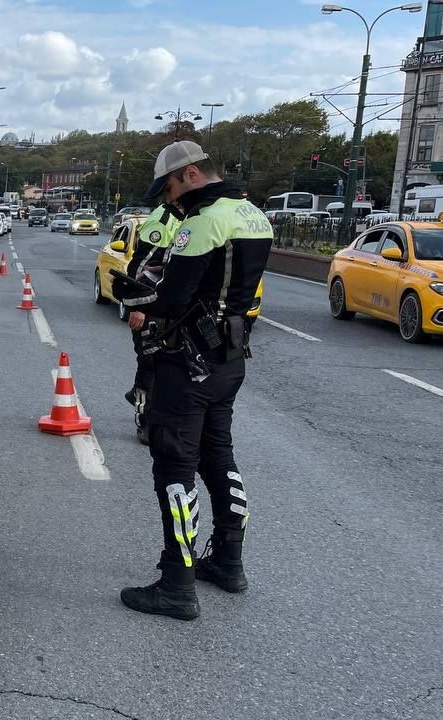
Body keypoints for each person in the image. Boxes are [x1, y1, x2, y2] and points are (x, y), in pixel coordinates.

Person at [115, 141, 273, 620]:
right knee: (218, 456)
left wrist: (135, 299)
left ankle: (176, 584)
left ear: (188, 176)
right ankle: (228, 561)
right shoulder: (252, 214)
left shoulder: (203, 221)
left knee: (174, 469)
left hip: (188, 363)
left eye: (169, 189)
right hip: (230, 359)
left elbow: (173, 297)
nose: (168, 201)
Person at [124, 201, 182, 444]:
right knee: (150, 363)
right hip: (151, 305)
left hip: (175, 306)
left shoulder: (193, 215)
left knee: (171, 367)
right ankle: (145, 419)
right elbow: (138, 266)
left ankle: (153, 407)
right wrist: (137, 307)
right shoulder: (163, 219)